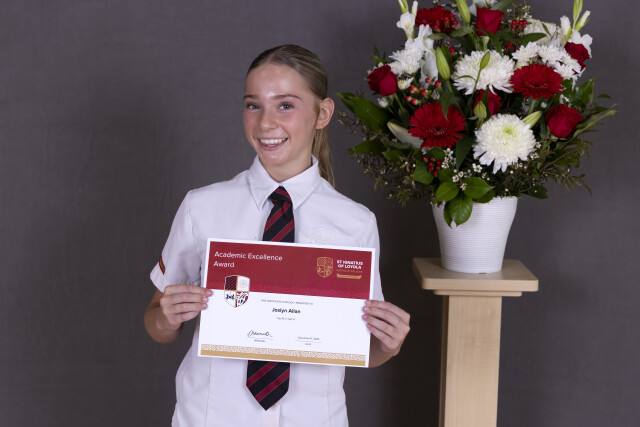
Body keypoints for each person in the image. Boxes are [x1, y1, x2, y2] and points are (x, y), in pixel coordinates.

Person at [144, 44, 410, 427]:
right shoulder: (201, 208)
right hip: (210, 416)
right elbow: (156, 324)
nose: (265, 123)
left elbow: (360, 348)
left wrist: (389, 343)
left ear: (323, 113)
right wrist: (167, 319)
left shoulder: (355, 223)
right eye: (253, 105)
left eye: (285, 105)